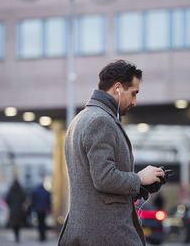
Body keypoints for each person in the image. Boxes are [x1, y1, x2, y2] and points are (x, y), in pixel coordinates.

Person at [58, 60, 165, 246]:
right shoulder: (100, 121)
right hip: (105, 234)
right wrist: (139, 178)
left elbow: (93, 187)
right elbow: (104, 178)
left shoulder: (80, 119)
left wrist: (140, 188)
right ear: (117, 88)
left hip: (89, 232)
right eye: (133, 93)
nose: (134, 102)